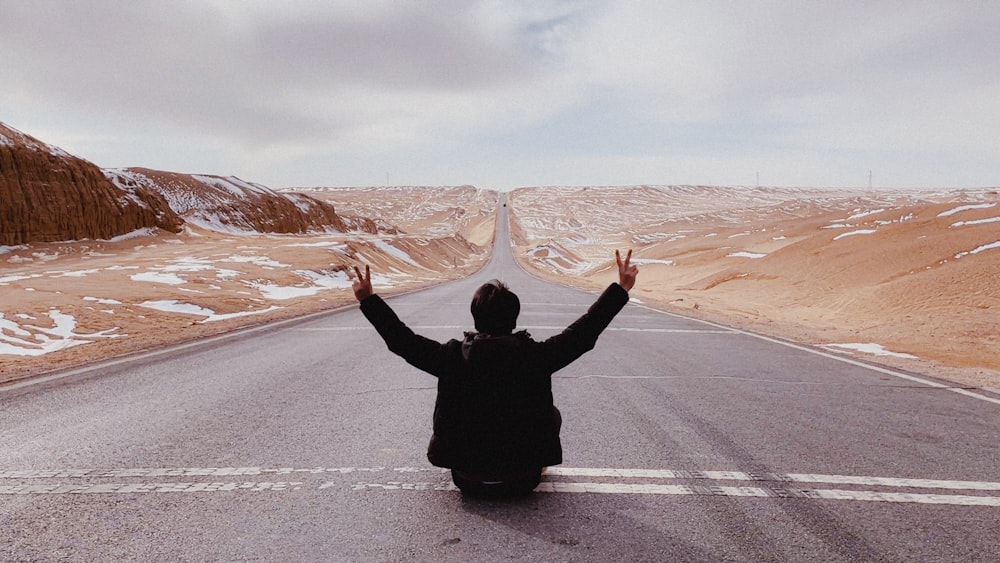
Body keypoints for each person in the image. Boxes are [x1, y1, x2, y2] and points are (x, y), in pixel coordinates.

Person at [352, 249, 638, 497]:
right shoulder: (536, 357)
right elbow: (583, 333)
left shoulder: (450, 357)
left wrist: (368, 300)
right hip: (523, 480)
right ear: (514, 320)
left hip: (468, 479)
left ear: (475, 318)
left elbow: (401, 340)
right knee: (553, 413)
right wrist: (621, 289)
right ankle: (534, 463)